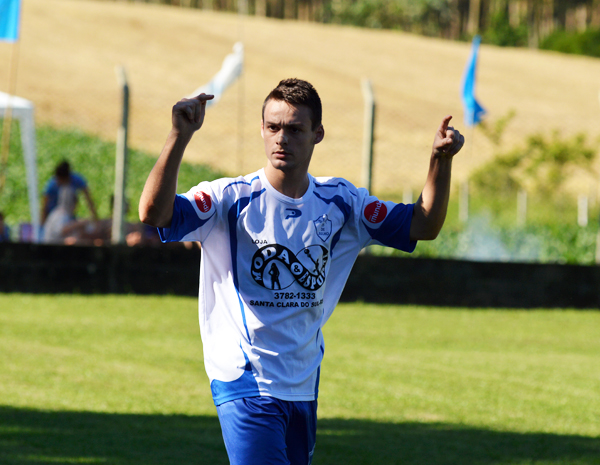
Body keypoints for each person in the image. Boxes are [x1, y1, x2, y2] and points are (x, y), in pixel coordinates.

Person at [139, 78, 464, 465]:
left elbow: (422, 225)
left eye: (294, 129)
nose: (281, 139)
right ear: (261, 129)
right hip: (244, 379)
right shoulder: (230, 198)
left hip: (303, 383)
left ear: (317, 134)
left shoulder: (341, 202)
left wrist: (439, 162)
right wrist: (179, 135)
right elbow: (154, 214)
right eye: (273, 128)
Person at [41, 160, 98, 229]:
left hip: (68, 215)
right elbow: (44, 205)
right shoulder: (52, 185)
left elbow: (89, 199)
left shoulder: (76, 180)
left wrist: (95, 217)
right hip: (54, 215)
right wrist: (42, 223)